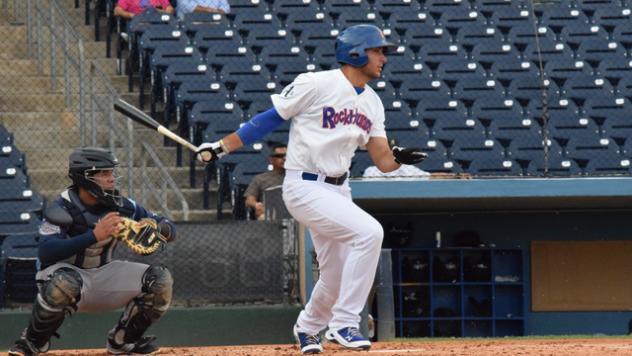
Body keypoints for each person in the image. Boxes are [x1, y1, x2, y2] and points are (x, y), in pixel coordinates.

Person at [196, 24, 426, 354]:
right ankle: (346, 324)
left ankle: (308, 328)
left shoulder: (373, 102)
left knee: (334, 273)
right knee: (370, 233)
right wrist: (221, 146)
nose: (383, 59)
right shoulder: (317, 83)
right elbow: (269, 119)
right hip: (304, 185)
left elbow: (382, 159)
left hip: (338, 190)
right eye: (378, 51)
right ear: (356, 52)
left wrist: (399, 159)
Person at [8, 147, 176, 356]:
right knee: (63, 283)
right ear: (85, 177)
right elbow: (46, 252)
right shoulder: (62, 206)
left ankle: (123, 341)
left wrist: (161, 229)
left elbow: (168, 227)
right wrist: (94, 236)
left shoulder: (123, 205)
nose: (112, 178)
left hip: (102, 274)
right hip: (63, 276)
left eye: (112, 172)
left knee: (160, 279)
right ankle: (32, 343)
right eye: (104, 173)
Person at [244, 143, 287, 220]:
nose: (284, 159)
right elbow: (249, 201)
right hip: (270, 213)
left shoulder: (297, 177)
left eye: (286, 156)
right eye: (279, 156)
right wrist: (256, 205)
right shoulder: (260, 178)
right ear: (271, 159)